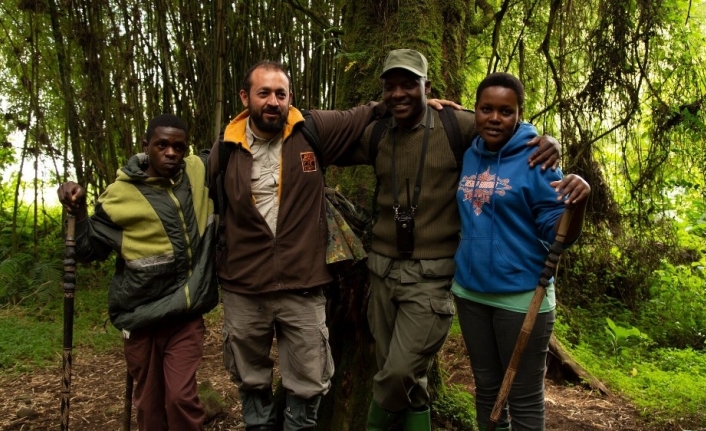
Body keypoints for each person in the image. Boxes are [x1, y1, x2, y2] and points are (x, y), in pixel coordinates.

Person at [350, 50, 562, 431]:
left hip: (440, 277)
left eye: (410, 85)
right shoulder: (381, 131)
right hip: (390, 272)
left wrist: (548, 140)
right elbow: (331, 138)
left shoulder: (457, 126)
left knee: (399, 372)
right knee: (416, 381)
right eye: (391, 86)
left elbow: (503, 123)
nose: (399, 93)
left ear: (427, 87)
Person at [57, 114, 219, 431]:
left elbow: (232, 145)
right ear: (146, 147)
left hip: (185, 315)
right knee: (149, 406)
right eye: (162, 145)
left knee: (181, 399)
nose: (171, 153)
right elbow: (89, 250)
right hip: (140, 317)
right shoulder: (120, 195)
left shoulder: (198, 173)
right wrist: (77, 211)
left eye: (178, 147)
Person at [452, 72, 590, 431]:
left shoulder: (537, 159)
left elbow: (558, 231)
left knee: (524, 400)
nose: (494, 118)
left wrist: (578, 202)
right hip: (470, 293)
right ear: (476, 110)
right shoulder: (468, 152)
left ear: (519, 115)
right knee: (487, 392)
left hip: (522, 296)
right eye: (486, 109)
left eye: (505, 111)